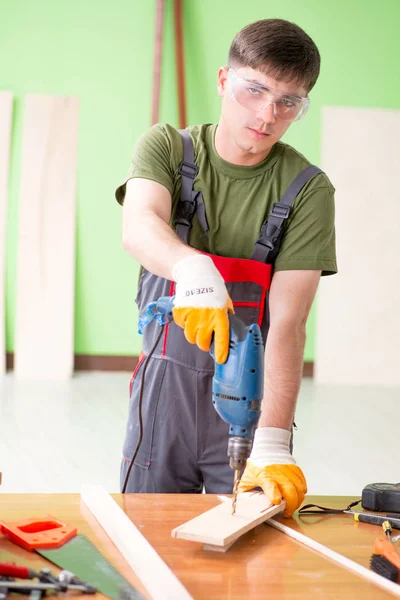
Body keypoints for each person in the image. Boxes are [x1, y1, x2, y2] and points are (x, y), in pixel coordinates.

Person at [115, 18, 337, 518]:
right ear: (222, 80)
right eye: (254, 89)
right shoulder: (167, 148)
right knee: (144, 532)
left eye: (289, 101)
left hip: (247, 404)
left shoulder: (307, 190)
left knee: (247, 548)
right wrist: (191, 267)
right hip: (162, 401)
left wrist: (273, 442)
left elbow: (288, 323)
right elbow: (140, 224)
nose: (267, 113)